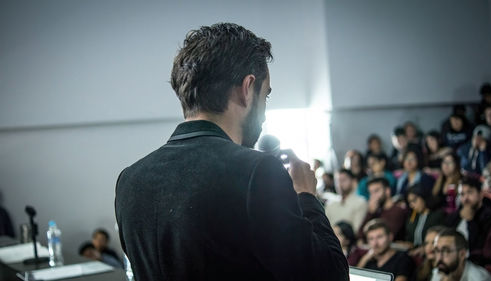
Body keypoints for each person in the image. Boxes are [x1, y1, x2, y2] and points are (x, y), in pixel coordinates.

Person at [115, 23, 348, 281]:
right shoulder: (257, 172)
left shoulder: (129, 180)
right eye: (266, 96)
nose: (264, 110)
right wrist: (306, 196)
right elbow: (331, 275)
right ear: (247, 88)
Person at [446, 176, 491, 265]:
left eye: (470, 193)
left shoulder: (489, 217)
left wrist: (470, 221)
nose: (465, 198)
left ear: (480, 195)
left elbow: (479, 249)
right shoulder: (456, 215)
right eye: (462, 194)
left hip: (474, 263)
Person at [405, 184, 445, 249]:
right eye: (410, 202)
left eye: (414, 200)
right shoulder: (412, 217)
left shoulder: (437, 216)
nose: (412, 205)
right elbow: (409, 237)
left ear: (423, 196)